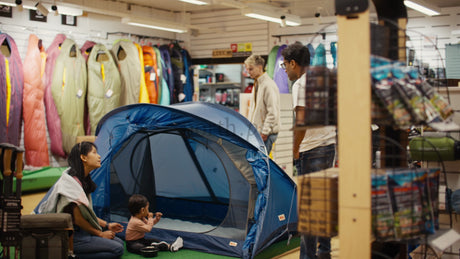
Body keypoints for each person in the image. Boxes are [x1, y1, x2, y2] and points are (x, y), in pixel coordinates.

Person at [281, 42, 337, 259]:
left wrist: (295, 150)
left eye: (285, 65)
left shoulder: (301, 84)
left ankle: (307, 256)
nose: (285, 70)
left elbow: (302, 123)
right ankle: (325, 253)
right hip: (329, 145)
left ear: (294, 63)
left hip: (312, 150)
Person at [34, 141, 125, 259]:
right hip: (71, 235)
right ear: (83, 157)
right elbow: (78, 219)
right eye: (94, 153)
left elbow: (87, 214)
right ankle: (69, 255)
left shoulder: (82, 180)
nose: (99, 156)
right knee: (117, 249)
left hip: (82, 232)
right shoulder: (70, 185)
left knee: (119, 242)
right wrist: (100, 234)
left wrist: (107, 225)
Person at [244, 54, 281, 154]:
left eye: (251, 69)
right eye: (247, 69)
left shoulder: (268, 85)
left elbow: (272, 112)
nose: (248, 72)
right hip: (258, 132)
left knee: (262, 164)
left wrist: (265, 132)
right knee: (259, 163)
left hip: (266, 134)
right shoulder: (257, 84)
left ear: (260, 67)